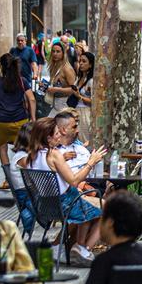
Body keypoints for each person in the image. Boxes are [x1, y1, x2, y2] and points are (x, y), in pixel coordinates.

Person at [30, 112, 106, 265]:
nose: (59, 136)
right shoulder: (54, 154)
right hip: (64, 203)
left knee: (87, 203)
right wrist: (91, 162)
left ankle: (69, 247)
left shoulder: (32, 154)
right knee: (107, 209)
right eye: (57, 133)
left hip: (45, 204)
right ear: (48, 138)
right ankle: (83, 248)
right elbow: (73, 180)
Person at [0, 54, 36, 169]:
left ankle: (8, 179)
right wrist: (33, 118)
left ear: (1, 67)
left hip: (2, 122)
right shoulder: (22, 81)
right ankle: (28, 175)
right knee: (26, 148)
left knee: (3, 149)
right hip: (20, 121)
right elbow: (32, 99)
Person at [7, 121, 37, 235]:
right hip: (25, 195)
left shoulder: (24, 155)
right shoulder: (21, 157)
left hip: (29, 193)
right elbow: (35, 164)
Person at [45, 40, 77, 113]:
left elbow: (74, 90)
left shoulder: (67, 68)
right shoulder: (54, 66)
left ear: (63, 53)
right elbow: (53, 85)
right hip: (54, 104)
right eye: (53, 51)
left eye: (58, 51)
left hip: (65, 105)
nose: (55, 54)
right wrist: (44, 85)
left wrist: (56, 90)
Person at [73, 50, 95, 140]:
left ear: (90, 65)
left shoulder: (91, 81)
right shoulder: (79, 78)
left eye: (84, 61)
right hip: (75, 111)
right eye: (80, 61)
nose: (81, 63)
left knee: (84, 139)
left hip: (86, 113)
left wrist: (80, 97)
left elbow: (94, 101)